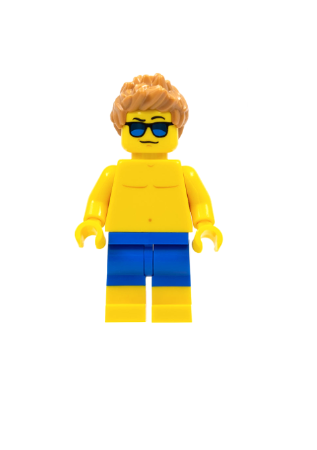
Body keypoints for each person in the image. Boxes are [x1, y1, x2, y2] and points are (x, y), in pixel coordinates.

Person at [75, 73, 223, 322]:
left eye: (159, 127)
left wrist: (206, 225)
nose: (148, 135)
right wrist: (92, 221)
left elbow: (200, 202)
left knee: (173, 301)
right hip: (124, 244)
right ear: (122, 129)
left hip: (172, 243)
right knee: (123, 301)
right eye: (136, 127)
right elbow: (98, 200)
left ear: (176, 130)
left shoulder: (184, 173)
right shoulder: (114, 173)